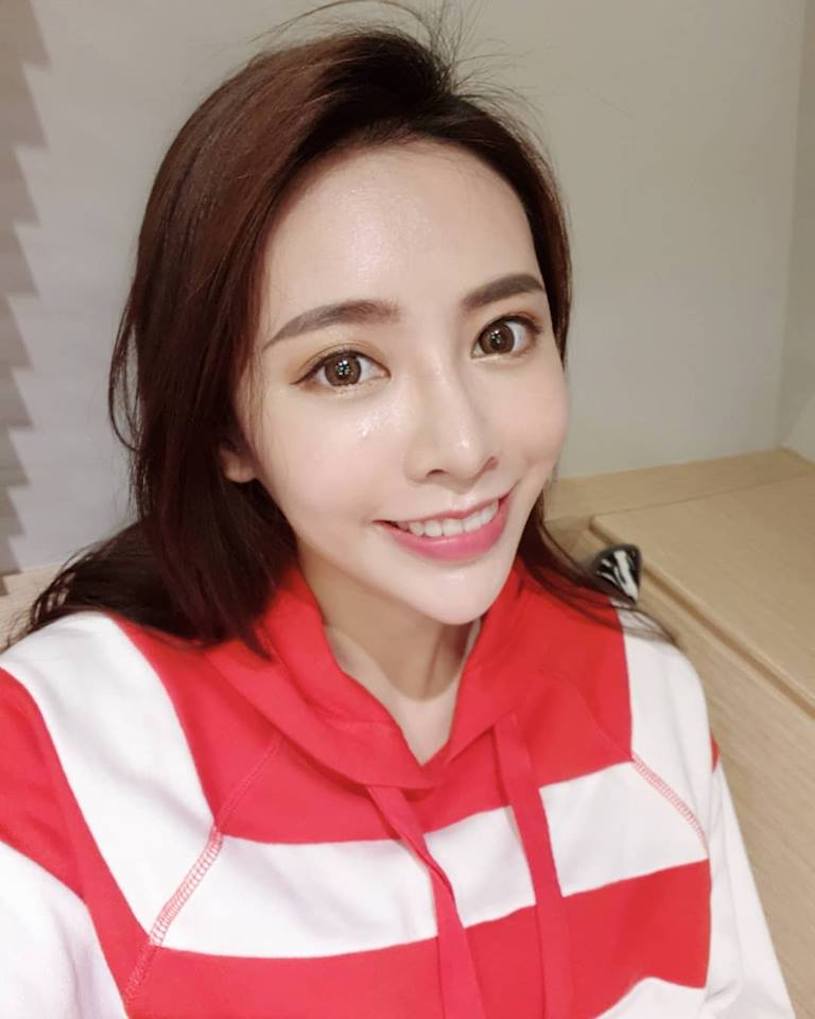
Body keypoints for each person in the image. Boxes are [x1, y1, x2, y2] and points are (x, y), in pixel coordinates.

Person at [0, 5, 796, 1017]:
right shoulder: (55, 751)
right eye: (344, 366)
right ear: (227, 431)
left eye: (500, 334)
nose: (462, 446)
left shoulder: (649, 693)